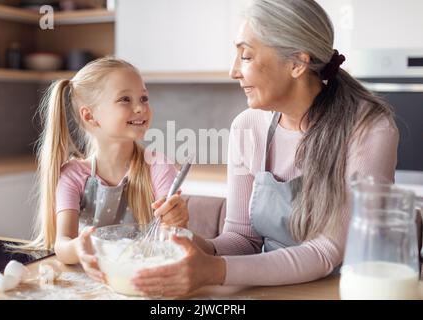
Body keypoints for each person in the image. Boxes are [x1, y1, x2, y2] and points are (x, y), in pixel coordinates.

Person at [132, 0, 399, 297]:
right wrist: (187, 240)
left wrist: (213, 270)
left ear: (297, 63)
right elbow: (242, 240)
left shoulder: (369, 128)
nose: (233, 71)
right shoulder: (248, 127)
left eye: (245, 56)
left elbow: (328, 251)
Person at [22, 57, 189, 283]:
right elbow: (61, 245)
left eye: (144, 98)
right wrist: (78, 247)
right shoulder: (73, 176)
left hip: (144, 280)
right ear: (90, 116)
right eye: (125, 99)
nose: (140, 107)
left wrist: (176, 219)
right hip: (92, 283)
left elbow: (172, 235)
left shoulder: (157, 166)